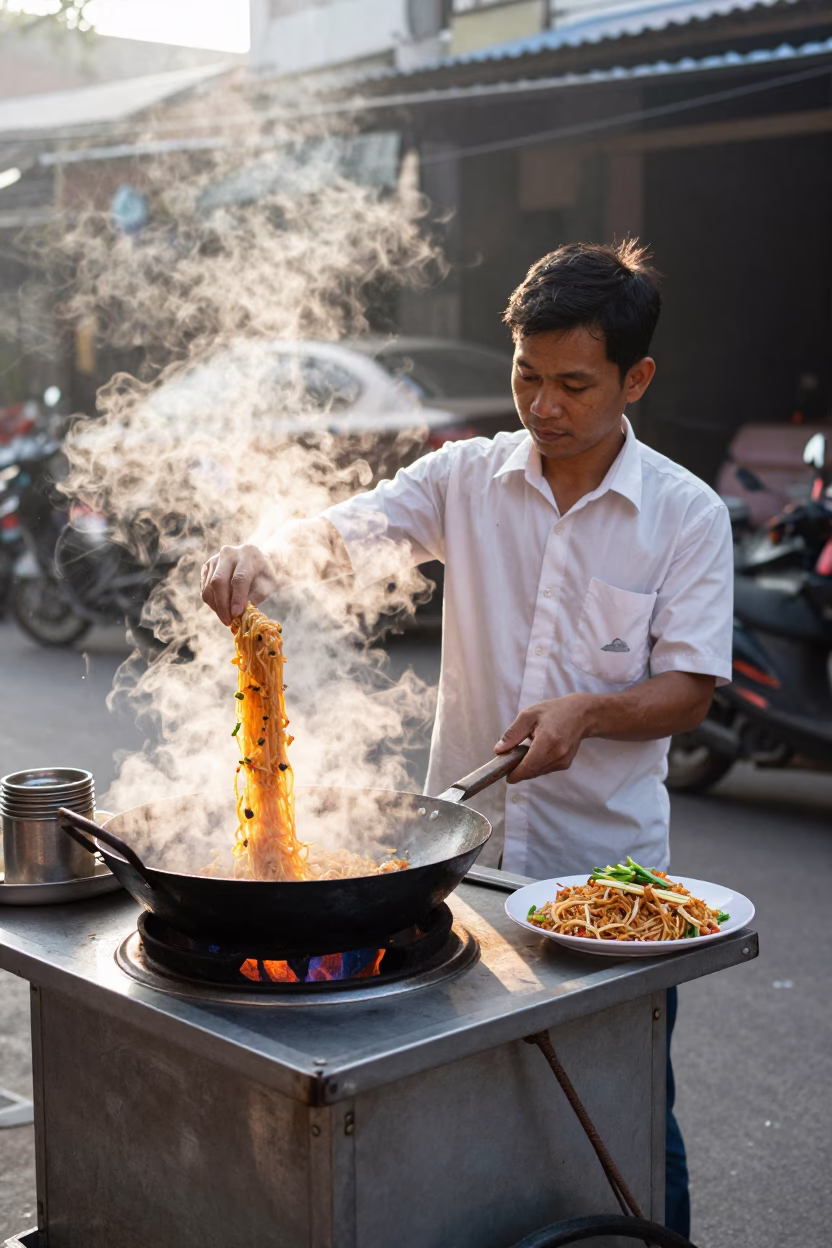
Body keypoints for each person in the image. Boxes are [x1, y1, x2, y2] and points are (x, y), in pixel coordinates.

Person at [201, 240, 733, 1237]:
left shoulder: (685, 515)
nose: (543, 405)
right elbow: (354, 529)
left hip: (599, 877)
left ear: (636, 379)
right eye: (527, 376)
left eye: (574, 385)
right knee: (465, 1103)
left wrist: (589, 710)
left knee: (627, 1108)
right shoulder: (467, 478)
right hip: (462, 868)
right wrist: (266, 553)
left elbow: (689, 691)